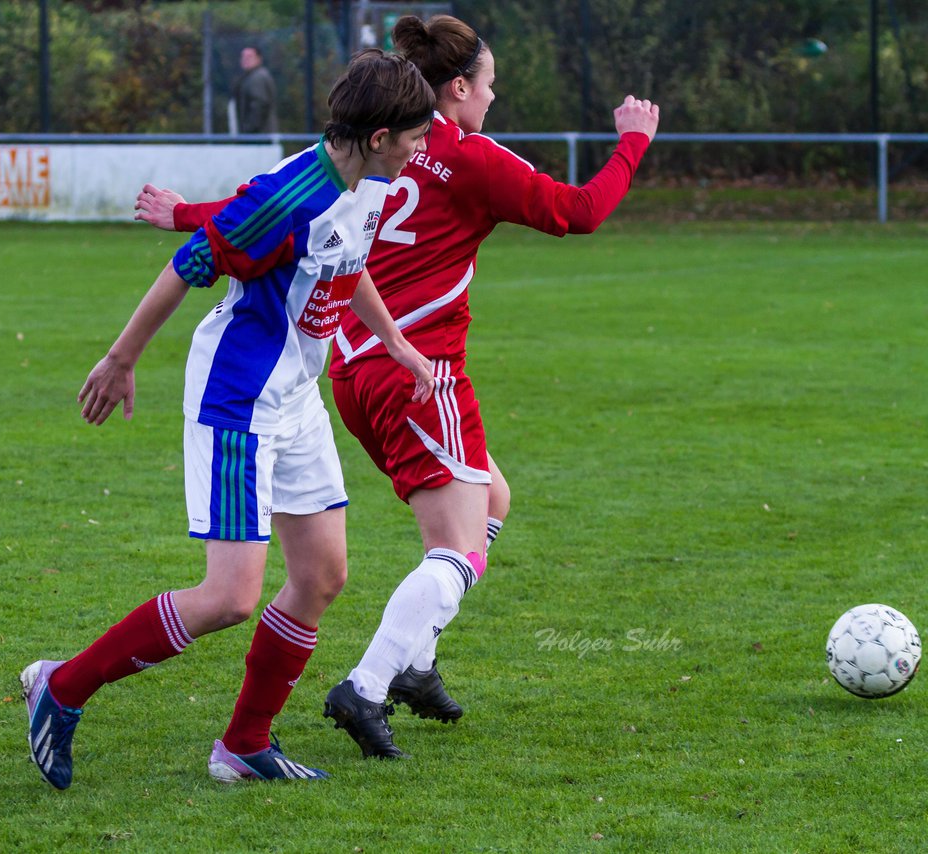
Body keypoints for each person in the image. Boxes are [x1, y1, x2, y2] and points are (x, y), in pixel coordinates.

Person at [134, 15, 660, 759]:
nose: (493, 97)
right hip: (417, 373)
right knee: (458, 543)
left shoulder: (380, 142)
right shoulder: (463, 155)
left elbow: (280, 202)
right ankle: (373, 680)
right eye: (488, 85)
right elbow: (578, 211)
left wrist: (185, 214)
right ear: (455, 89)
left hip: (348, 368)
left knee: (493, 499)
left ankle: (414, 657)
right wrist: (633, 139)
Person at [21, 49, 437, 789]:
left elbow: (350, 261)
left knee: (321, 575)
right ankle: (62, 688)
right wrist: (120, 359)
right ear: (378, 136)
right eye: (414, 135)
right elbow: (189, 261)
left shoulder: (369, 183)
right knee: (229, 598)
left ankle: (244, 744)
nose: (421, 147)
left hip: (295, 396)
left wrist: (398, 345)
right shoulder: (289, 195)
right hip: (239, 397)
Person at [232, 45, 277, 134]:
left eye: (249, 57)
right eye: (243, 57)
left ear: (259, 59)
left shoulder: (258, 77)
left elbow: (259, 105)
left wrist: (248, 129)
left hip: (258, 136)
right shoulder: (248, 77)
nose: (245, 59)